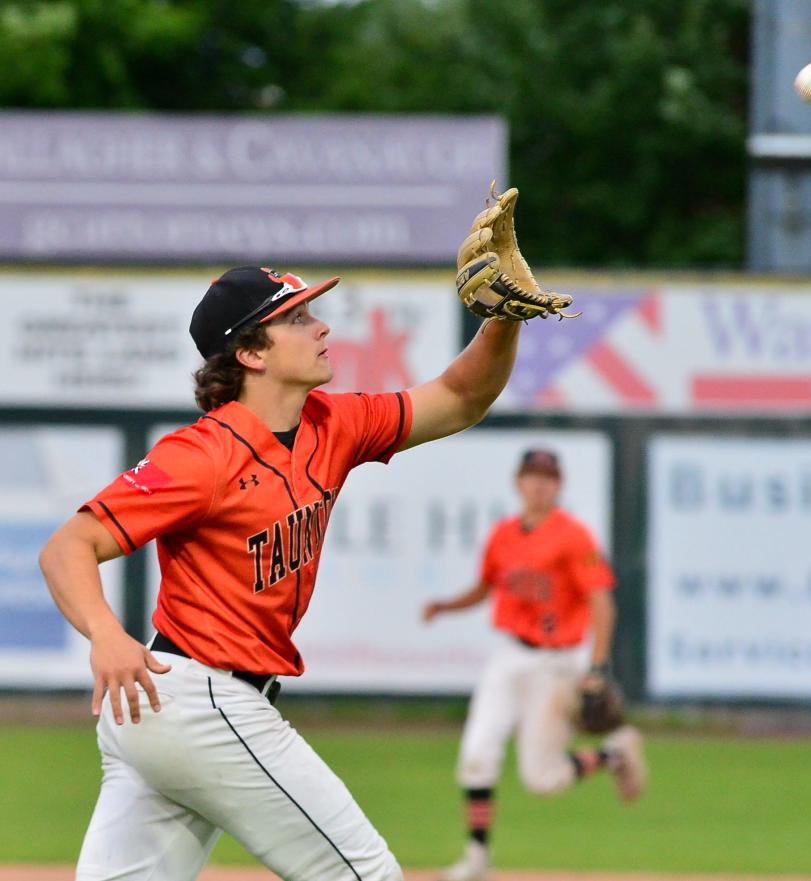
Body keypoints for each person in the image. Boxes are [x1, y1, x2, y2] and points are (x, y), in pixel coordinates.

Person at [38, 264, 527, 881]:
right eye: (294, 318)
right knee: (365, 874)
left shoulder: (333, 424)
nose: (321, 325)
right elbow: (68, 545)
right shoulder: (201, 455)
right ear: (249, 352)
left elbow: (461, 397)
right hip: (201, 699)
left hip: (171, 709)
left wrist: (502, 318)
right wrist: (106, 635)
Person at [422, 448, 647, 881]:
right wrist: (446, 607)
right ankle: (476, 858)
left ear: (558, 486)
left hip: (556, 663)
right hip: (509, 657)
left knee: (543, 779)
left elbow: (602, 604)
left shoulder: (573, 535)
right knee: (476, 756)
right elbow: (486, 587)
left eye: (547, 477)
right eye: (531, 476)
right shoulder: (502, 534)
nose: (539, 484)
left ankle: (615, 751)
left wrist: (597, 666)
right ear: (518, 482)